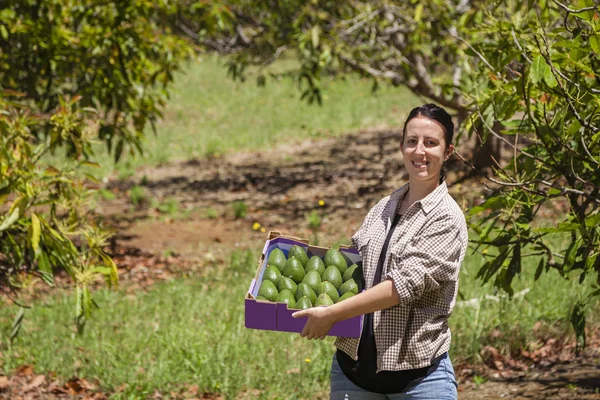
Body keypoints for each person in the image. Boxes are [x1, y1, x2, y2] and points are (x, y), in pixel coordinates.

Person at [292, 103, 468, 399]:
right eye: (412, 142)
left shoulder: (447, 218)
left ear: (447, 152)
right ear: (401, 147)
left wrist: (332, 314)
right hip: (353, 376)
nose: (419, 151)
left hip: (419, 381)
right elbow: (352, 266)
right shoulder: (383, 207)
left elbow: (403, 286)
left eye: (431, 143)